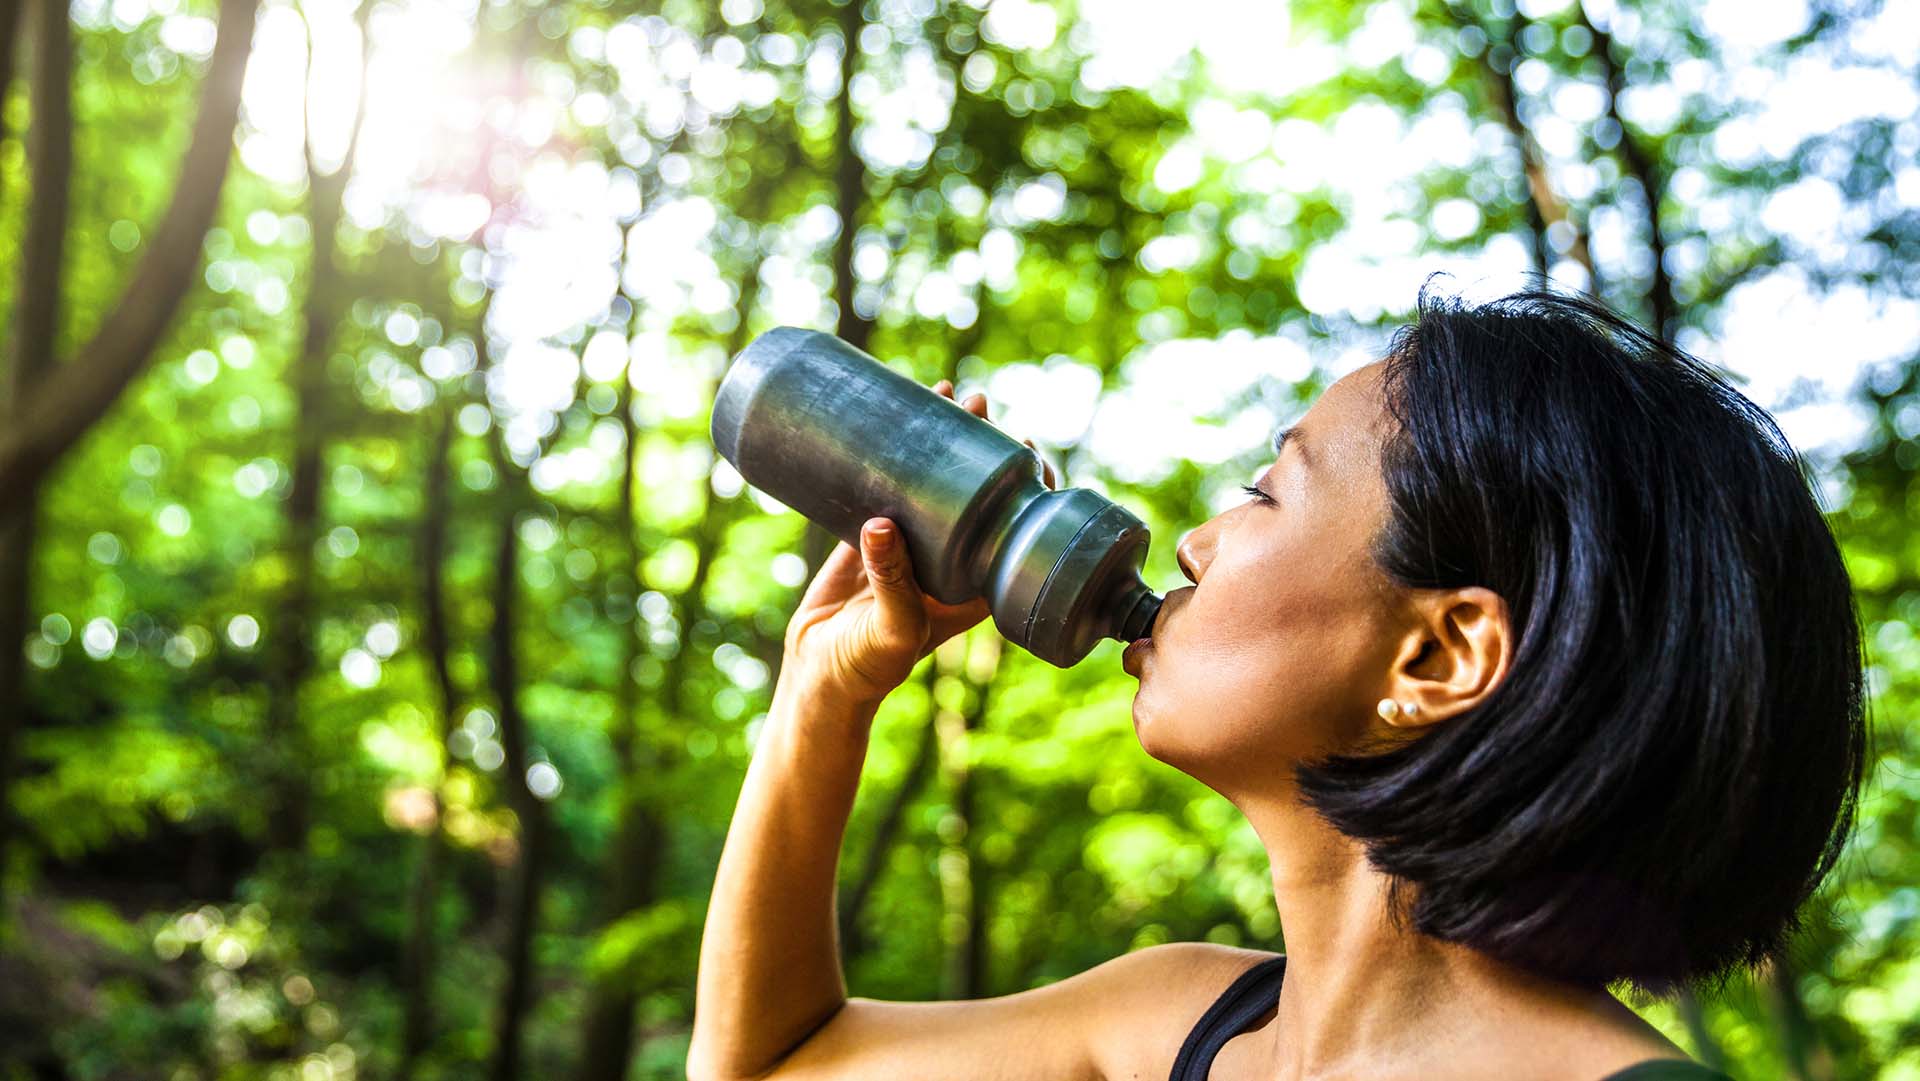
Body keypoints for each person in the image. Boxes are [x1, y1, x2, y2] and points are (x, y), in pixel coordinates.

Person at [687, 282, 1867, 1081]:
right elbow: (773, 1063)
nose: (1194, 540)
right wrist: (823, 691)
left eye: (1266, 491)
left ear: (1437, 657)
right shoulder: (1179, 1023)